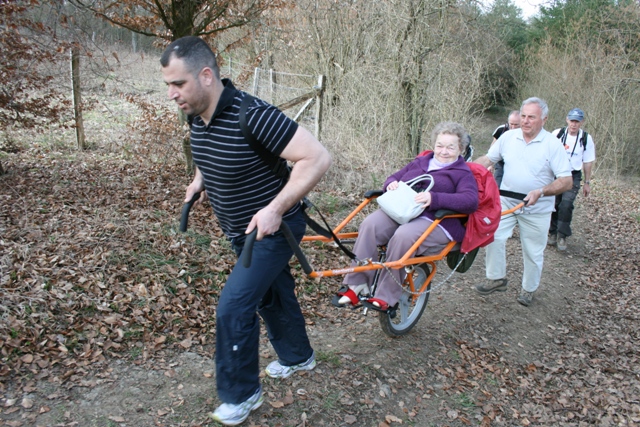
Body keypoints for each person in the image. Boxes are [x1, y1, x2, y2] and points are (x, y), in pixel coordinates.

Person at [161, 36, 331, 426]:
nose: (172, 94)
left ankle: (242, 394)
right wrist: (198, 181)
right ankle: (298, 356)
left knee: (234, 306)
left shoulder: (252, 114)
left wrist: (274, 209)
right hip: (239, 229)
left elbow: (317, 157)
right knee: (272, 293)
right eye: (168, 85)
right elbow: (209, 150)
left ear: (206, 76)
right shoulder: (197, 114)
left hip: (276, 228)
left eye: (178, 84)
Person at [335, 122, 479, 311]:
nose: (444, 151)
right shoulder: (421, 161)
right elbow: (393, 177)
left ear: (460, 149)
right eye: (440, 145)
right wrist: (391, 184)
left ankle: (386, 295)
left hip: (435, 219)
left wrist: (434, 198)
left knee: (404, 236)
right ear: (434, 145)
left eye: (450, 147)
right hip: (403, 211)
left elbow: (470, 201)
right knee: (370, 224)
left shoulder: (462, 173)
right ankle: (356, 285)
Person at [474, 98, 572, 307]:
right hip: (507, 202)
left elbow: (566, 181)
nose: (526, 121)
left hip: (538, 207)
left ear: (543, 119)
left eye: (531, 117)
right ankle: (496, 278)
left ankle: (528, 289)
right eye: (524, 116)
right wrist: (465, 168)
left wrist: (542, 191)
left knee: (533, 250)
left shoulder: (552, 145)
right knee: (494, 237)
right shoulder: (508, 137)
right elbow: (488, 159)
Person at [548, 108, 596, 251]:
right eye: (572, 120)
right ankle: (552, 232)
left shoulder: (586, 138)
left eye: (577, 121)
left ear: (582, 122)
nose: (574, 124)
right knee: (554, 203)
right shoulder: (557, 134)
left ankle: (562, 235)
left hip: (573, 175)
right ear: (567, 120)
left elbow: (587, 162)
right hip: (556, 173)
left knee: (566, 204)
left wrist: (587, 182)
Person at [490, 110, 521, 187]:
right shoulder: (501, 129)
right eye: (511, 124)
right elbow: (493, 146)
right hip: (501, 163)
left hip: (517, 164)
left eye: (516, 124)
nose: (513, 127)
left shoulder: (526, 132)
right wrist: (490, 164)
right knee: (497, 185)